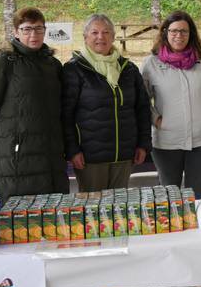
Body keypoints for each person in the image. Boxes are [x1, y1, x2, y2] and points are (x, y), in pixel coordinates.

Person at [0, 8, 69, 201]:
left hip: (51, 160)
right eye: (27, 29)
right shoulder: (4, 63)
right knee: (19, 217)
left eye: (39, 29)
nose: (34, 34)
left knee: (52, 214)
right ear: (16, 32)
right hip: (16, 164)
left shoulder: (53, 65)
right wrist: (1, 144)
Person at [62, 14, 151, 191]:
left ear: (113, 36)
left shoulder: (129, 69)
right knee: (93, 206)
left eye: (106, 32)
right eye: (94, 32)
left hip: (124, 155)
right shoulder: (74, 69)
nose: (100, 37)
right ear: (85, 37)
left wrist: (143, 144)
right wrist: (72, 150)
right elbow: (65, 115)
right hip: (90, 159)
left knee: (119, 206)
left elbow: (142, 109)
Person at [142, 11, 201, 199]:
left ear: (191, 34)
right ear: (165, 33)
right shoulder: (152, 63)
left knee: (196, 194)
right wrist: (157, 120)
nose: (179, 35)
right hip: (166, 141)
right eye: (174, 31)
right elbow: (142, 100)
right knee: (170, 195)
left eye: (184, 31)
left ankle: (197, 220)